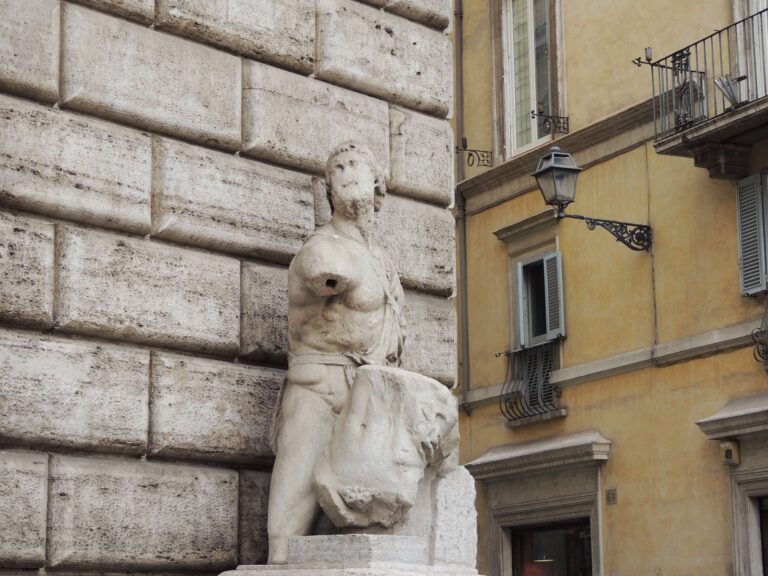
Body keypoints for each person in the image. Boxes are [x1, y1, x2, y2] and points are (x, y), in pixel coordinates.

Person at [266, 141, 406, 564]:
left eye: (353, 165)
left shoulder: (382, 260)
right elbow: (318, 272)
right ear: (328, 189)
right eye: (337, 169)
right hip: (320, 390)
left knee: (366, 520)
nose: (345, 172)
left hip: (368, 399)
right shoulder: (323, 249)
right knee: (287, 525)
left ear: (377, 183)